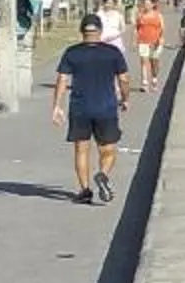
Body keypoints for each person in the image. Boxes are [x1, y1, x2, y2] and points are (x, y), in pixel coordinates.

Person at [50, 12, 133, 206]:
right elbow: (124, 79)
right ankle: (102, 174)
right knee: (109, 150)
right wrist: (126, 98)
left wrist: (56, 106)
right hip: (106, 107)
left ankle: (85, 190)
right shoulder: (112, 53)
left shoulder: (72, 52)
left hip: (80, 108)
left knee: (81, 150)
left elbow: (62, 79)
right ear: (100, 32)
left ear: (82, 32)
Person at [133, 0, 167, 96]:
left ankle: (154, 79)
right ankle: (144, 82)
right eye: (145, 4)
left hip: (156, 41)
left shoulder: (158, 15)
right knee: (144, 61)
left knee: (154, 61)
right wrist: (134, 41)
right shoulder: (140, 15)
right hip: (143, 40)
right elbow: (136, 28)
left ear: (153, 5)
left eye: (148, 4)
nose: (146, 5)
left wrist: (160, 39)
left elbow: (162, 28)